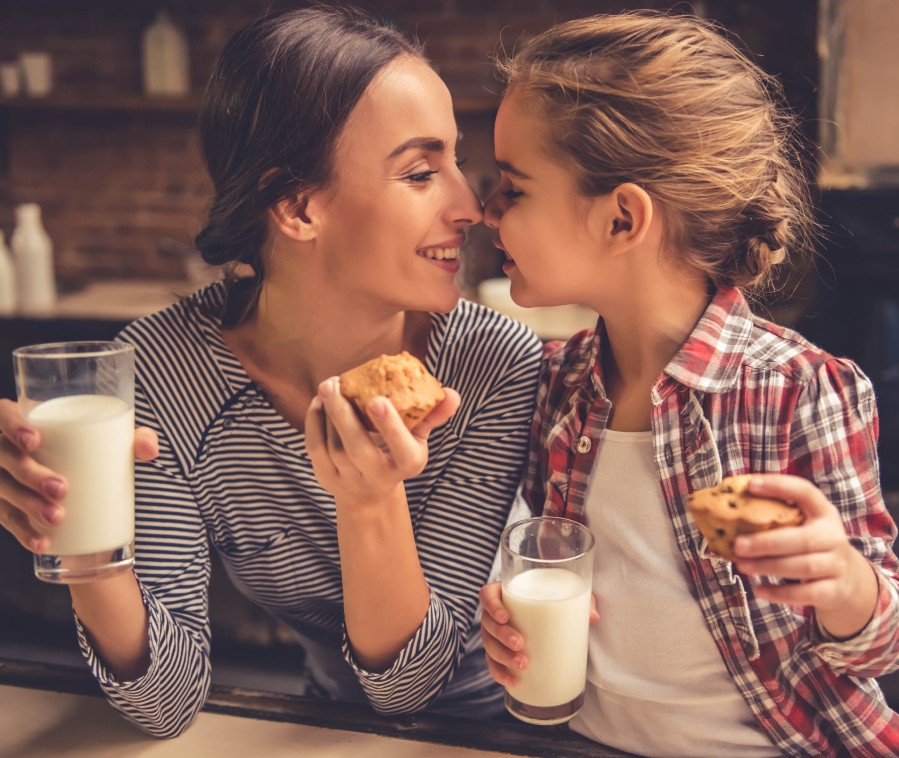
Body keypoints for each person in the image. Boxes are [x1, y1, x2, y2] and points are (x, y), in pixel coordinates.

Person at [0, 6, 542, 737]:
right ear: (297, 207)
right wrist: (78, 532)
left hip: (498, 729)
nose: (470, 207)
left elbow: (414, 687)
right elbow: (163, 704)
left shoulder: (492, 364)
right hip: (317, 724)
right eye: (421, 171)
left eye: (455, 160)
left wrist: (369, 500)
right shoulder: (163, 373)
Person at [477, 11, 899, 758]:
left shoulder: (800, 390)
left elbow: (886, 643)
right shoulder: (557, 382)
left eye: (513, 188)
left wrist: (843, 581)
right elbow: (554, 569)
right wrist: (507, 623)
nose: (484, 211)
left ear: (623, 218)